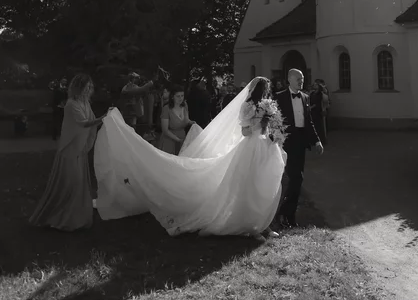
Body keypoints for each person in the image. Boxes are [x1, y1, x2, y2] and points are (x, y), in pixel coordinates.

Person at [94, 76, 286, 239]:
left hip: (265, 147)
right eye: (267, 89)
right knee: (248, 187)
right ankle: (250, 226)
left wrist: (272, 133)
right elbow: (244, 132)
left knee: (265, 184)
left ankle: (264, 224)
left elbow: (267, 128)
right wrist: (259, 122)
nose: (269, 92)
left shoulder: (267, 107)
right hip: (249, 149)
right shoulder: (248, 106)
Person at [30, 74, 106, 231]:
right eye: (87, 87)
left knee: (79, 184)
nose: (89, 90)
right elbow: (83, 123)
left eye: (91, 87)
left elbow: (91, 120)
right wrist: (103, 118)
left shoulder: (85, 103)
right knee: (71, 183)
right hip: (70, 149)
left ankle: (76, 217)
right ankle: (62, 216)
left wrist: (102, 120)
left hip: (80, 149)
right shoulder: (71, 104)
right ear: (79, 87)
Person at [275, 68, 323, 228]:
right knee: (296, 178)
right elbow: (275, 122)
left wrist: (316, 141)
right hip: (287, 143)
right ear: (289, 79)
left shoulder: (305, 97)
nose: (301, 82)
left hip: (301, 144)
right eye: (298, 79)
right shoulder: (279, 97)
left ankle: (289, 215)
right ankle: (285, 213)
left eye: (302, 79)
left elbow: (309, 122)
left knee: (298, 179)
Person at [159, 86, 191, 154]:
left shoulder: (185, 105)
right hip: (169, 141)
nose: (180, 98)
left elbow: (186, 120)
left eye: (182, 96)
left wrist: (191, 123)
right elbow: (165, 130)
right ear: (172, 97)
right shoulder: (166, 109)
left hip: (182, 139)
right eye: (178, 96)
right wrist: (178, 140)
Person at [309, 79, 328, 147]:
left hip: (318, 112)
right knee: (313, 126)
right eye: (314, 85)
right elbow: (310, 101)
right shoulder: (312, 93)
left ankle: (321, 140)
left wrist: (311, 107)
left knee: (319, 126)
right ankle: (313, 140)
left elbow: (318, 103)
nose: (314, 85)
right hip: (312, 112)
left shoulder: (320, 94)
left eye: (316, 84)